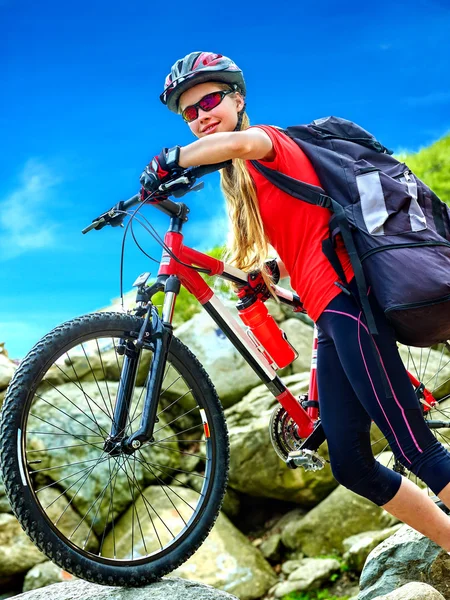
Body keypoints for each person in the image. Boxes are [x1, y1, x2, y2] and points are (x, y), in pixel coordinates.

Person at [140, 51, 450, 550]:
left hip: (349, 303)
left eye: (211, 100)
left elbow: (240, 140)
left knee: (417, 448)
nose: (201, 116)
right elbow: (309, 235)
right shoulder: (246, 178)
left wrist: (171, 158)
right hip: (330, 313)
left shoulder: (267, 142)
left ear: (238, 98)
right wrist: (272, 272)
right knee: (352, 465)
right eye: (190, 113)